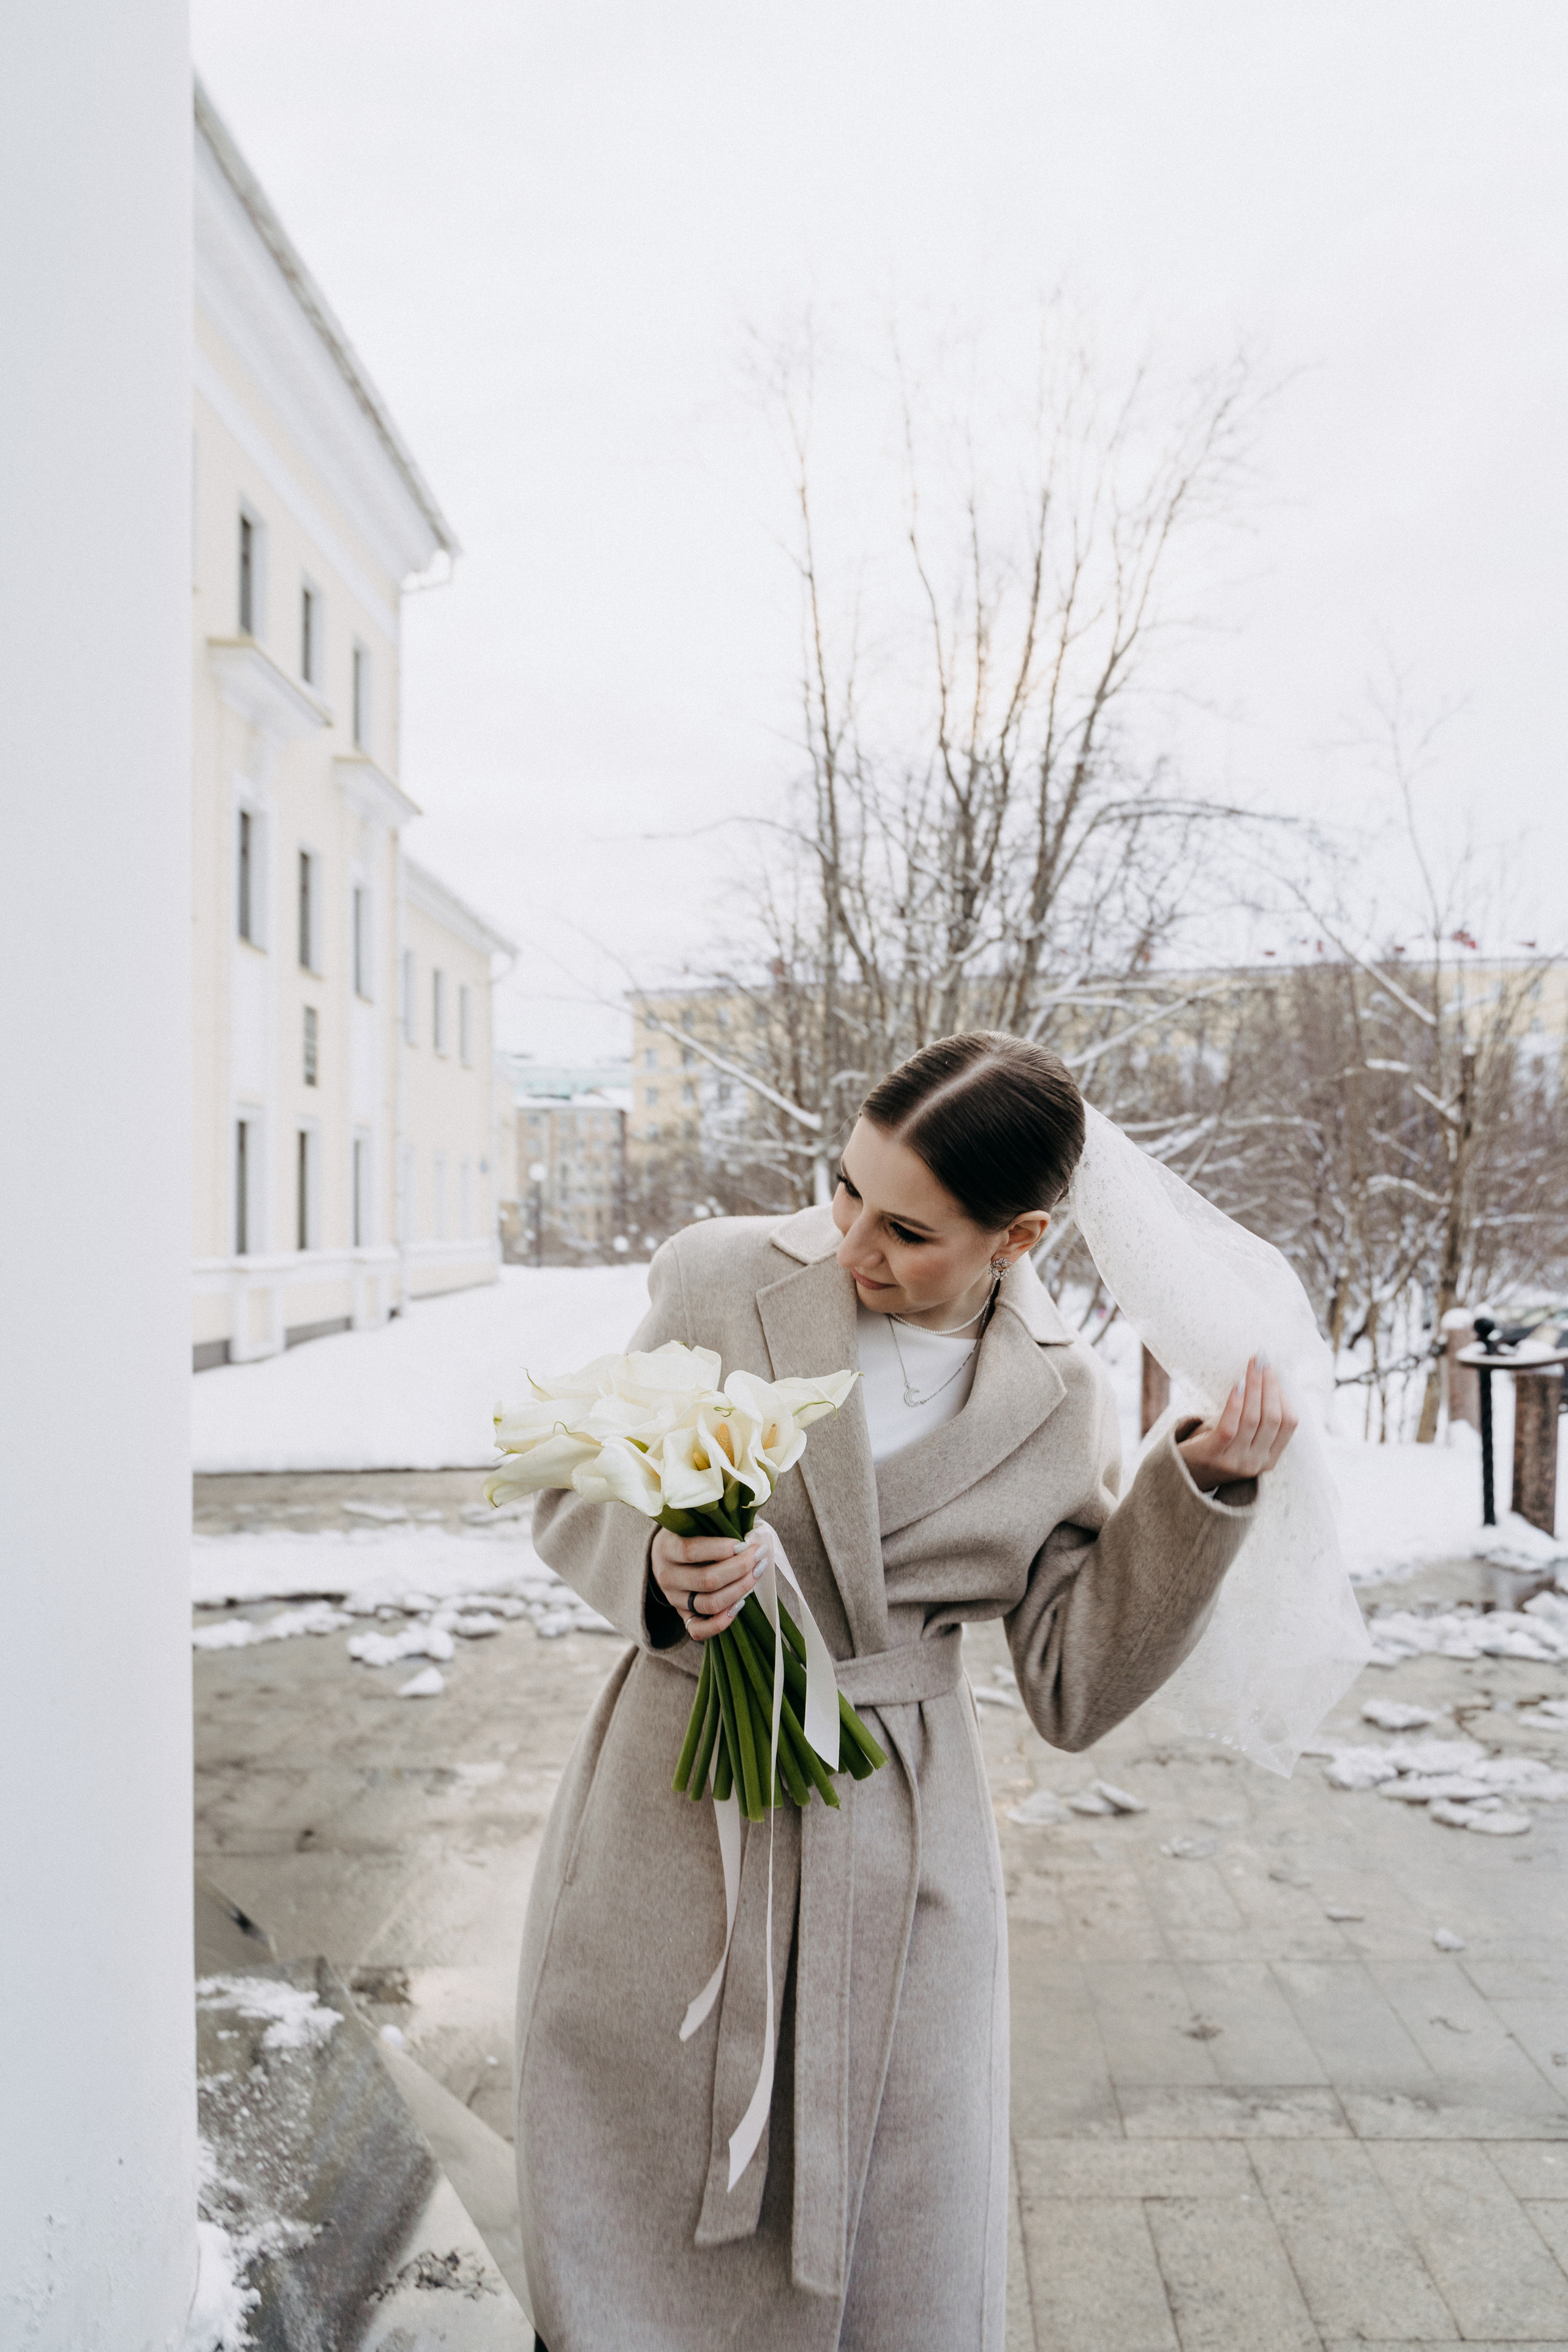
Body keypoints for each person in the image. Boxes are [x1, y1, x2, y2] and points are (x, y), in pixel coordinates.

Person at [516, 1032, 1295, 2351]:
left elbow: (1074, 1677)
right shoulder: (718, 1278)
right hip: (678, 1807)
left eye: (907, 1230)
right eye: (845, 1189)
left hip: (899, 1840)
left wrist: (1201, 1488)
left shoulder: (1055, 1396)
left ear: (1019, 1238)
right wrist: (653, 1557)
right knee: (636, 2171)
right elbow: (570, 1480)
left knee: (896, 2209)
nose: (853, 1244)